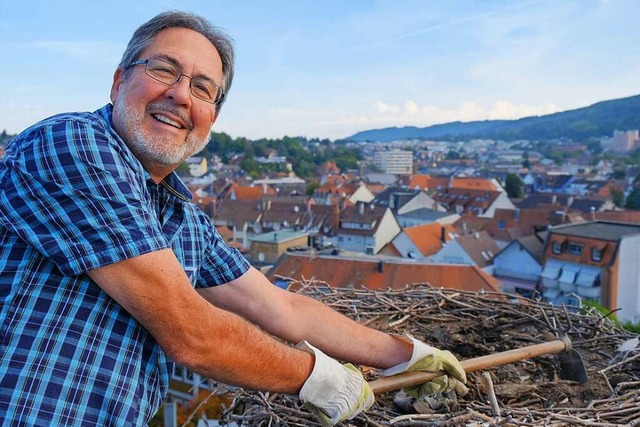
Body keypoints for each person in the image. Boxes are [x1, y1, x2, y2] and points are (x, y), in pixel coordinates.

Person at [0, 11, 466, 426]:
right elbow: (191, 334)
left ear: (212, 115)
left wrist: (406, 355)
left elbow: (281, 308)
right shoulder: (71, 145)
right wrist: (319, 379)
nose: (180, 95)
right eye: (164, 69)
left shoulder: (181, 217)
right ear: (119, 81)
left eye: (202, 88)